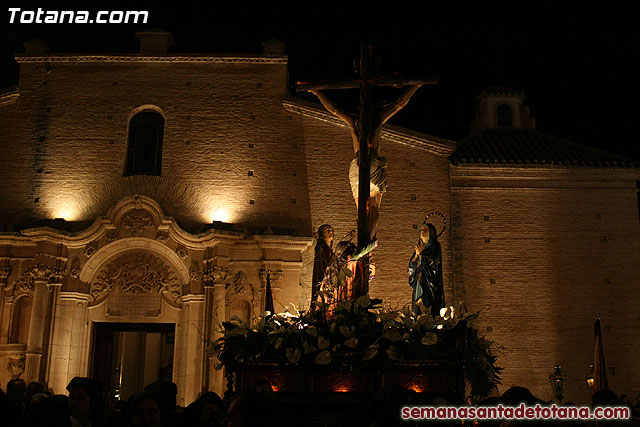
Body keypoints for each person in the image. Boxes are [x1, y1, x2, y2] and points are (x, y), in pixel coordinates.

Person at [308, 85, 422, 244]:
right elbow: (399, 104)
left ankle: (365, 242)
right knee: (374, 211)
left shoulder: (354, 122)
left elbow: (334, 110)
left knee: (362, 212)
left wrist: (317, 92)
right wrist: (415, 86)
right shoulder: (377, 121)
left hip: (356, 167)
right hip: (373, 164)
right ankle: (370, 241)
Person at [408, 223, 444, 316]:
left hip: (429, 283)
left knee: (428, 307)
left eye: (425, 229)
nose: (422, 231)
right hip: (418, 282)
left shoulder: (435, 246)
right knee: (417, 306)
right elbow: (411, 266)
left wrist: (422, 253)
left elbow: (434, 264)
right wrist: (416, 255)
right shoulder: (419, 248)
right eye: (421, 230)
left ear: (431, 233)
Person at [311, 224, 335, 311]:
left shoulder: (330, 250)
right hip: (324, 280)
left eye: (331, 230)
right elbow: (324, 266)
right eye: (327, 231)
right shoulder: (321, 249)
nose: (330, 232)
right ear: (321, 235)